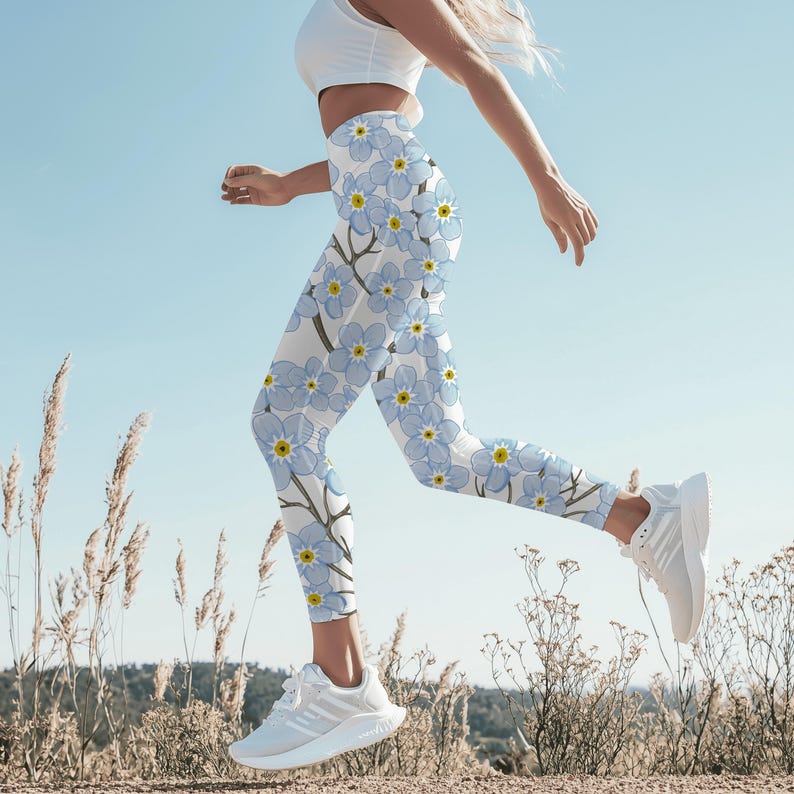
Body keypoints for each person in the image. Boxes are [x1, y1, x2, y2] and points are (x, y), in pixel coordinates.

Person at [220, 0, 712, 772]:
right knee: (443, 454)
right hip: (384, 201)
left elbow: (472, 70)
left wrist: (547, 179)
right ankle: (644, 518)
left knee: (286, 421)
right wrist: (289, 184)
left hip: (390, 210)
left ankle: (342, 679)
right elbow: (366, 136)